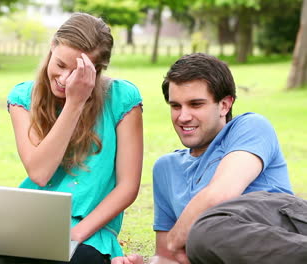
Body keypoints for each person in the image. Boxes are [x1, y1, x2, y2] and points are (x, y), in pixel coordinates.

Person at [112, 53, 307, 264]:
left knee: (204, 229)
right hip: (221, 251)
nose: (183, 116)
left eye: (195, 104)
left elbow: (219, 195)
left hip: (283, 230)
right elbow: (168, 256)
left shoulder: (250, 128)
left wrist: (180, 238)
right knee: (203, 234)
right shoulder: (166, 168)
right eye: (176, 106)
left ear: (225, 105)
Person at [7, 12, 143, 264]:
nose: (64, 80)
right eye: (60, 64)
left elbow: (128, 187)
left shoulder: (122, 98)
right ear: (52, 47)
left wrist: (76, 234)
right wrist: (74, 103)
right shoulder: (23, 98)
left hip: (89, 231)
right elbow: (40, 173)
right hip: (32, 223)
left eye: (77, 71)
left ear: (97, 71)